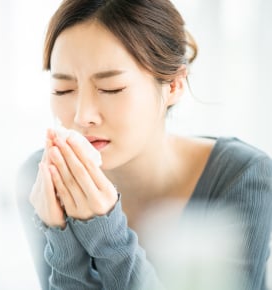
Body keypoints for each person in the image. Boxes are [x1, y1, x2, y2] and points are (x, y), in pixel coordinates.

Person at [16, 0, 272, 289]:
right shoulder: (43, 179)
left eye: (111, 88)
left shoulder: (245, 177)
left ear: (174, 85)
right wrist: (62, 240)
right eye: (63, 89)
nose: (81, 115)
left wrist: (106, 234)